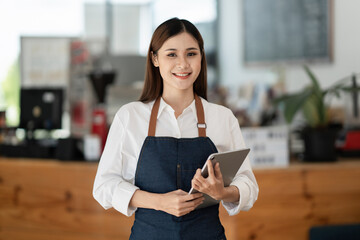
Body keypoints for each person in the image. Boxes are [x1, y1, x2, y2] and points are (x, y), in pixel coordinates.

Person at [93, 17, 259, 240]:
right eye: (171, 54)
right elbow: (104, 186)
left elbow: (248, 184)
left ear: (201, 57)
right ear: (155, 58)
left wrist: (223, 192)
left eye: (191, 53)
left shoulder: (222, 118)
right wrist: (158, 202)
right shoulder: (130, 117)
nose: (183, 64)